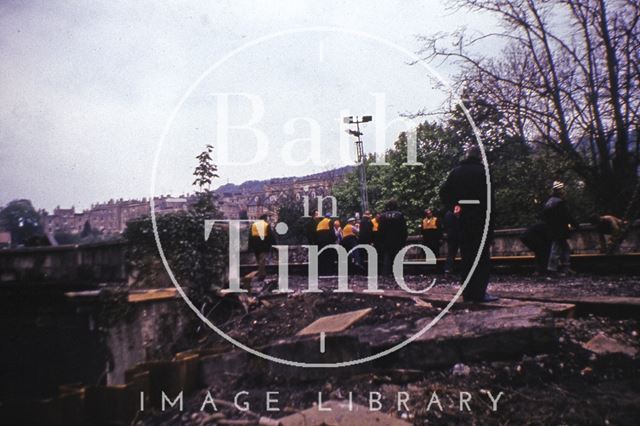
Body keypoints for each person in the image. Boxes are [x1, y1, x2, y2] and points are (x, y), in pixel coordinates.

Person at [440, 146, 496, 302]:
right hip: (480, 218)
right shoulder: (484, 172)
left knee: (466, 257)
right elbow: (490, 201)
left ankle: (467, 293)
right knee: (482, 258)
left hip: (462, 219)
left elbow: (443, 192)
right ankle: (479, 293)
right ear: (479, 157)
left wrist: (454, 206)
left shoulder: (456, 172)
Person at [542, 181, 579, 275]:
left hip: (552, 229)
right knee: (556, 249)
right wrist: (575, 224)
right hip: (559, 230)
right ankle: (552, 269)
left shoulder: (549, 203)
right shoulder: (559, 202)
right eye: (563, 190)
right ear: (560, 191)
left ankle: (565, 267)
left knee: (565, 248)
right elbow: (566, 216)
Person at [378, 200, 408, 276]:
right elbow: (403, 229)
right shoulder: (399, 215)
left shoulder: (383, 216)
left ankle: (386, 273)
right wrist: (403, 239)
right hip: (397, 240)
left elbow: (380, 230)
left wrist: (381, 240)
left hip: (386, 240)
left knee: (387, 257)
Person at [248, 214, 275, 280]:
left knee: (259, 261)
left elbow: (250, 237)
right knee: (262, 261)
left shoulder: (253, 225)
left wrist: (249, 246)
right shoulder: (266, 225)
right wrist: (274, 244)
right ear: (265, 219)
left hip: (255, 246)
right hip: (264, 246)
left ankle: (263, 273)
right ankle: (261, 275)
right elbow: (271, 236)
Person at [443, 205, 461, 274]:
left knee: (451, 253)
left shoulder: (447, 214)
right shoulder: (455, 213)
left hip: (450, 235)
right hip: (456, 235)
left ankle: (448, 268)